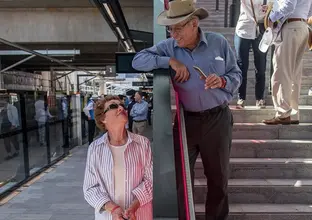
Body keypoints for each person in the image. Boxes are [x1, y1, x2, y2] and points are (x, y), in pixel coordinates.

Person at [132, 0, 242, 219]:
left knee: (218, 179)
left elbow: (236, 75)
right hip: (186, 121)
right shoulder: (169, 47)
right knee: (181, 180)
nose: (173, 34)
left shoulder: (218, 42)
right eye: (170, 29)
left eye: (178, 28)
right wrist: (170, 61)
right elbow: (138, 60)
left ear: (193, 23)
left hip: (217, 119)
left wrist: (221, 81)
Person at [83, 95, 153, 220]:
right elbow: (90, 188)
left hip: (139, 215)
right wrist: (113, 209)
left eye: (122, 106)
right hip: (108, 217)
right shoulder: (95, 148)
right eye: (114, 106)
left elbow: (150, 181)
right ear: (103, 118)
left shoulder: (143, 143)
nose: (121, 108)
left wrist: (133, 207)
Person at [262, 0, 312, 125]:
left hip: (291, 27)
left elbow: (289, 5)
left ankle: (283, 113)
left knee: (281, 72)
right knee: (294, 74)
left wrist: (272, 18)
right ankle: (293, 113)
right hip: (302, 26)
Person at [235, 0, 274, 109]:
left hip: (261, 30)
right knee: (242, 66)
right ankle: (241, 98)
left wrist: (271, 10)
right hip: (243, 29)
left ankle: (260, 98)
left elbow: (275, 8)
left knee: (261, 67)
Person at [0, 94, 20, 160]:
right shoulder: (1, 109)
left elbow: (15, 117)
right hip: (4, 127)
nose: (1, 101)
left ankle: (17, 151)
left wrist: (13, 125)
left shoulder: (12, 107)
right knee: (6, 141)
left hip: (11, 126)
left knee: (13, 140)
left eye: (2, 100)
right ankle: (9, 154)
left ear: (6, 100)